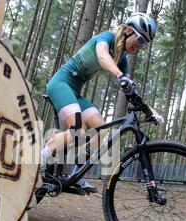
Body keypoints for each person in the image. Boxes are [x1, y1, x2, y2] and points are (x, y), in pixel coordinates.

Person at [41, 12, 162, 193]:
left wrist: (149, 109)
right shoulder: (107, 37)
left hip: (74, 91)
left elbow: (130, 89)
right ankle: (36, 162)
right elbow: (102, 56)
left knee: (102, 128)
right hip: (60, 84)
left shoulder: (122, 59)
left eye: (145, 44)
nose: (140, 46)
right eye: (141, 40)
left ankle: (78, 175)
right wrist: (120, 76)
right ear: (129, 31)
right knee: (77, 131)